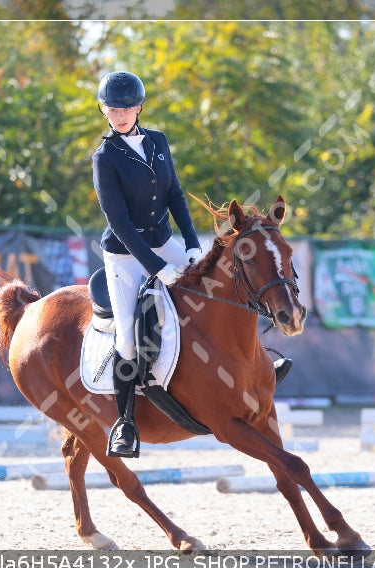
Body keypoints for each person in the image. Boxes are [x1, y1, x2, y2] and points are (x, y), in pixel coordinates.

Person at [92, 71, 291, 457]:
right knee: (128, 339)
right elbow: (119, 223)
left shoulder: (158, 142)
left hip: (165, 243)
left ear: (140, 107)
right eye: (113, 109)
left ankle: (260, 364)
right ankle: (125, 423)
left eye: (127, 107)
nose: (120, 115)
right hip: (126, 256)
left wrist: (190, 244)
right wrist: (155, 267)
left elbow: (175, 196)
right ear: (104, 110)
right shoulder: (105, 158)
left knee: (218, 291)